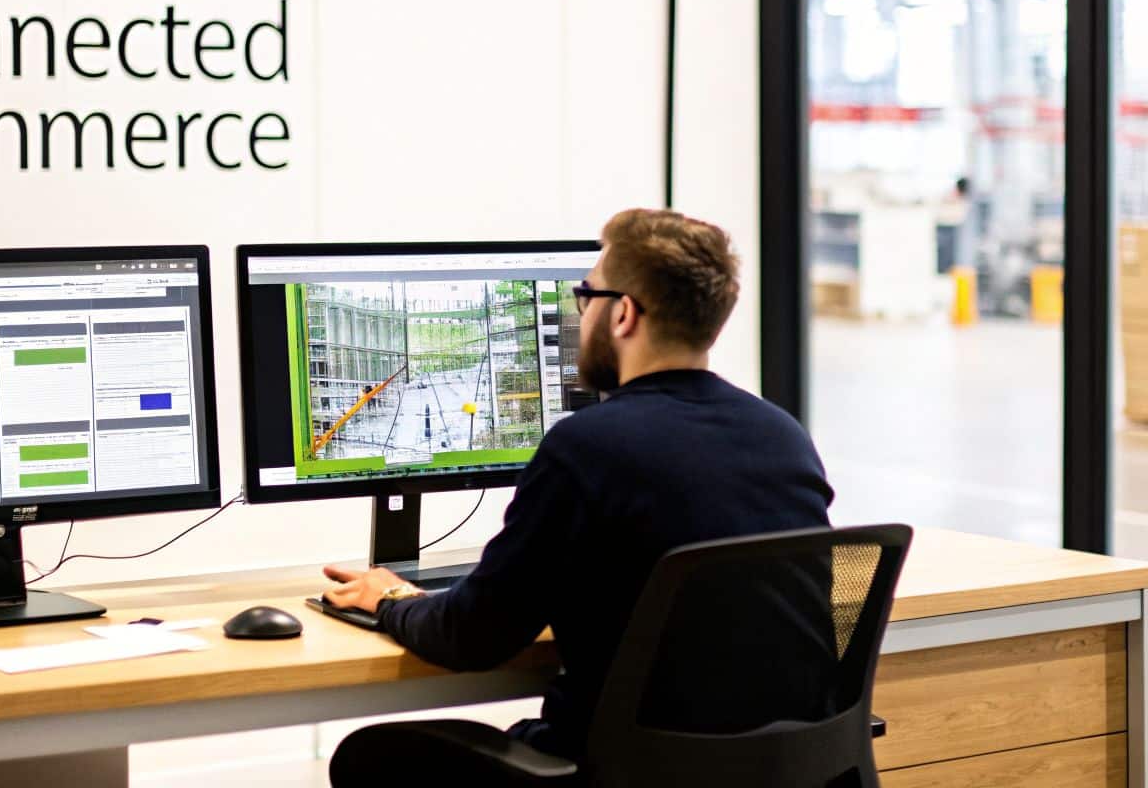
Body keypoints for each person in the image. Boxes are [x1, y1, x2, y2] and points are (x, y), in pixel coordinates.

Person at [324, 207, 834, 771]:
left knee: (368, 759)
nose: (579, 311)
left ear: (623, 315)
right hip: (778, 770)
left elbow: (473, 637)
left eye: (585, 295)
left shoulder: (588, 447)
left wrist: (392, 599)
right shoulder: (782, 435)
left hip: (619, 768)